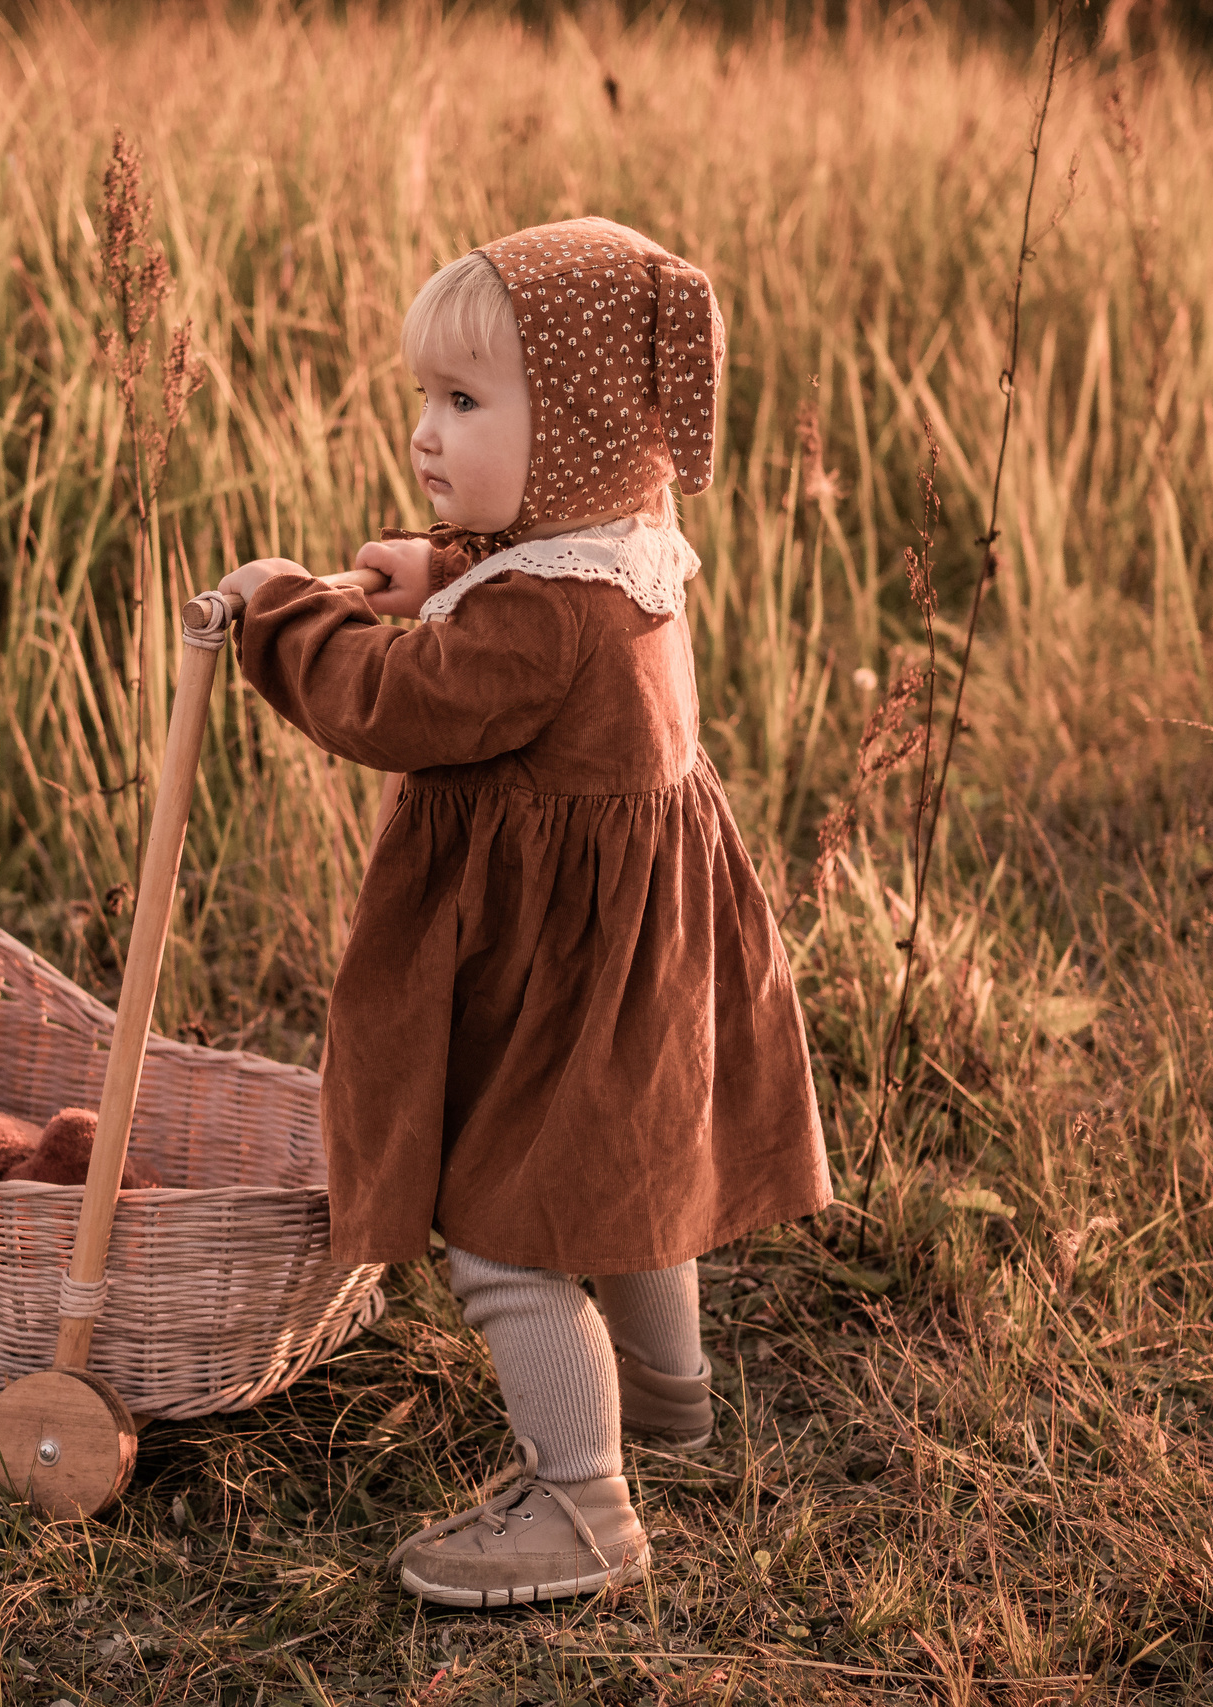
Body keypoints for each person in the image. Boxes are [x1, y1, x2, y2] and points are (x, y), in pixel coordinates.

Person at [215, 217, 832, 1608]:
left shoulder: (543, 622)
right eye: (425, 398)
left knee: (507, 1228)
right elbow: (533, 586)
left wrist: (281, 618)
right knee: (621, 1183)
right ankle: (668, 1400)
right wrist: (446, 569)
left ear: (584, 426)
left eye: (465, 402)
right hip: (634, 967)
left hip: (556, 975)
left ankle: (582, 1507)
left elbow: (395, 703)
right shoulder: (632, 549)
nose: (427, 434)